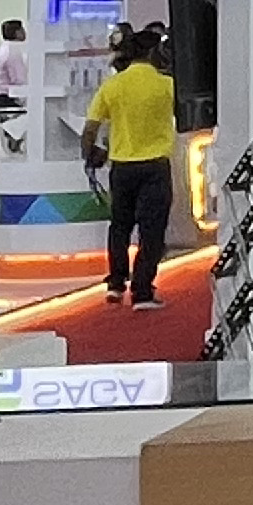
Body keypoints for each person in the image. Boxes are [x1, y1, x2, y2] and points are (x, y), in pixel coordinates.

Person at [84, 22, 179, 308]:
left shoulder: (112, 85)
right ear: (153, 54)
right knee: (152, 231)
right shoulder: (167, 85)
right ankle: (142, 291)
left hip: (122, 167)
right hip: (155, 167)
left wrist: (91, 154)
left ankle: (115, 284)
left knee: (120, 226)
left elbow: (90, 128)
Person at [0, 19, 33, 145]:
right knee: (33, 117)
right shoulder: (13, 50)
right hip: (6, 98)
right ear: (17, 32)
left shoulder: (4, 48)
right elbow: (19, 79)